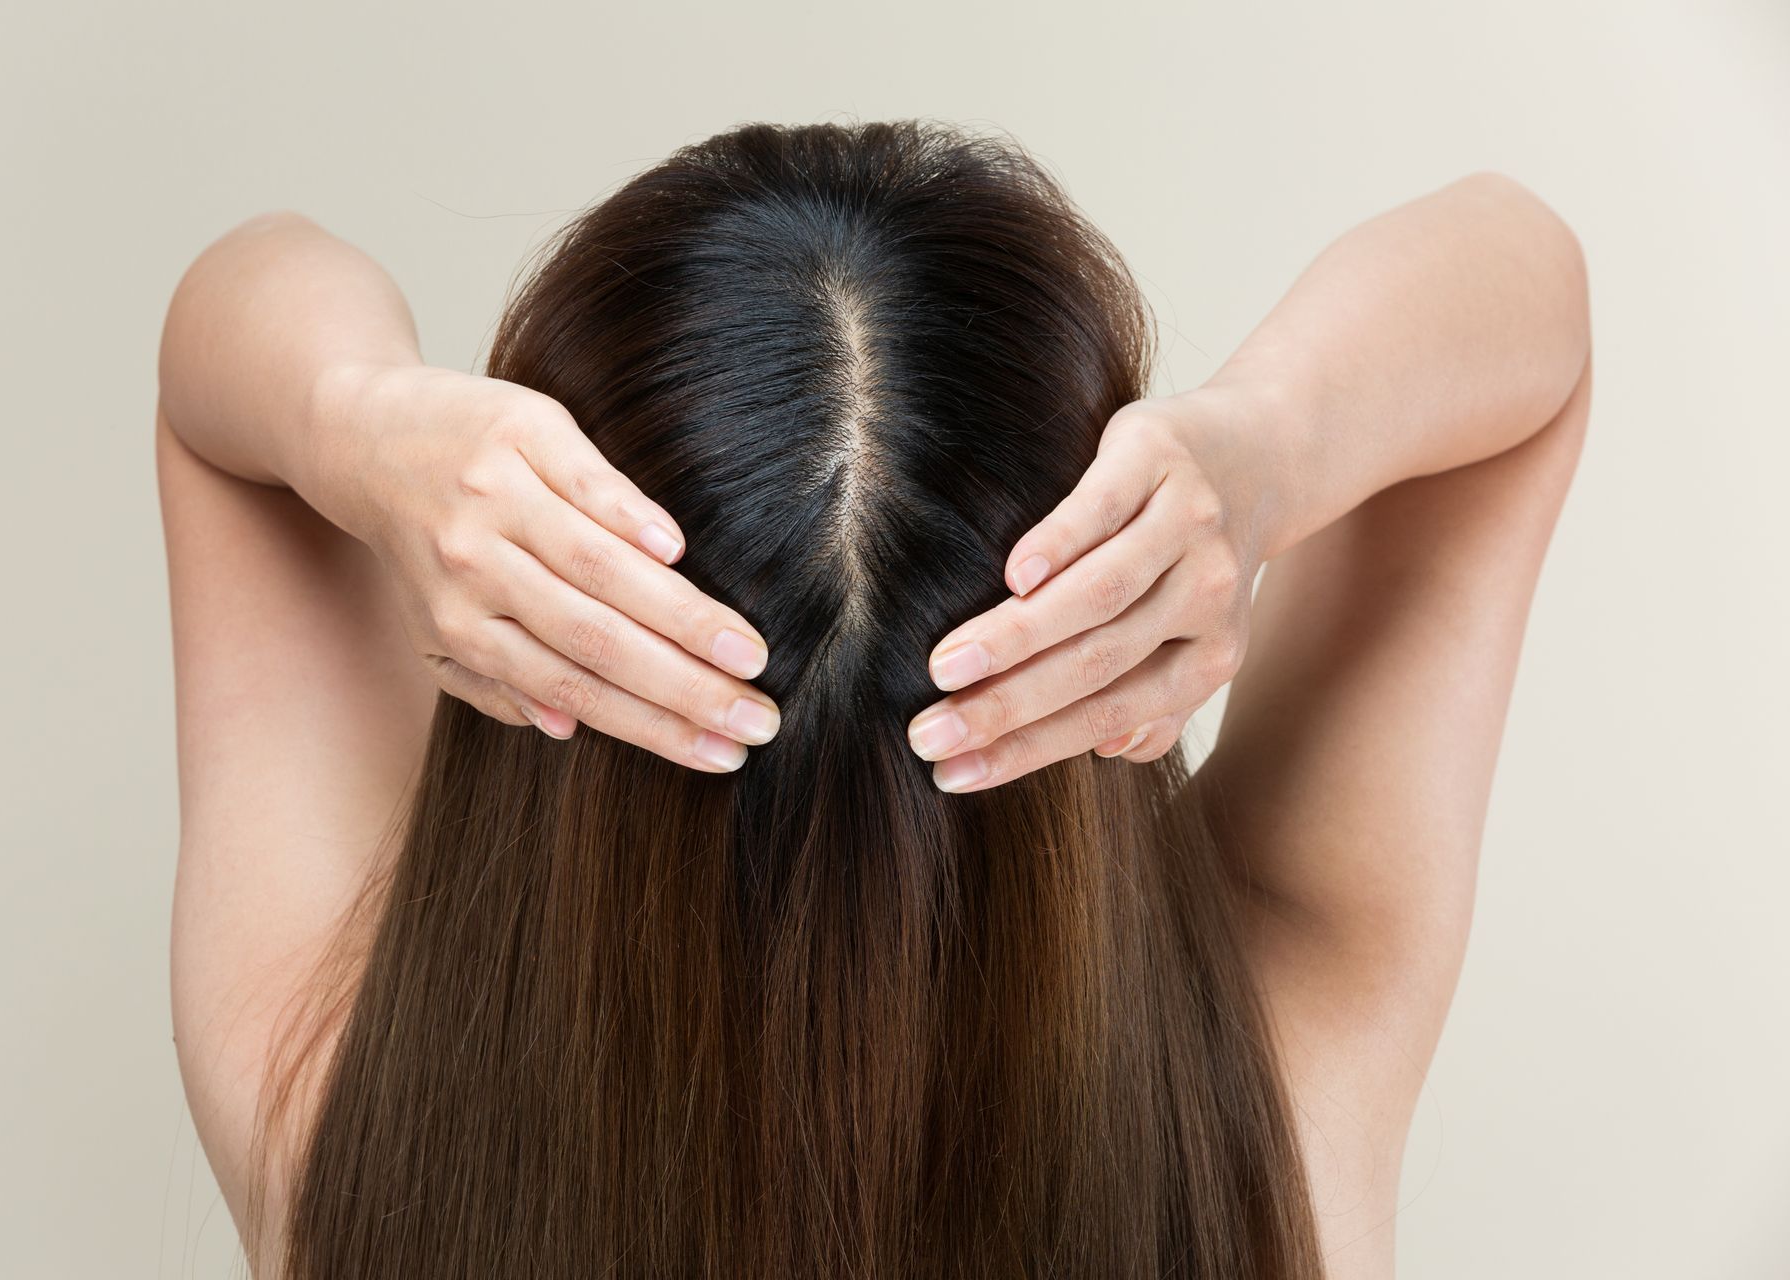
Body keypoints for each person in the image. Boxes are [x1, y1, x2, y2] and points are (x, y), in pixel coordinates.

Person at [157, 122, 1589, 1279]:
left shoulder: (340, 1133)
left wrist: (356, 419)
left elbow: (220, 363)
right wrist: (1270, 445)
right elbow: (1532, 296)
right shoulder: (1273, 1130)